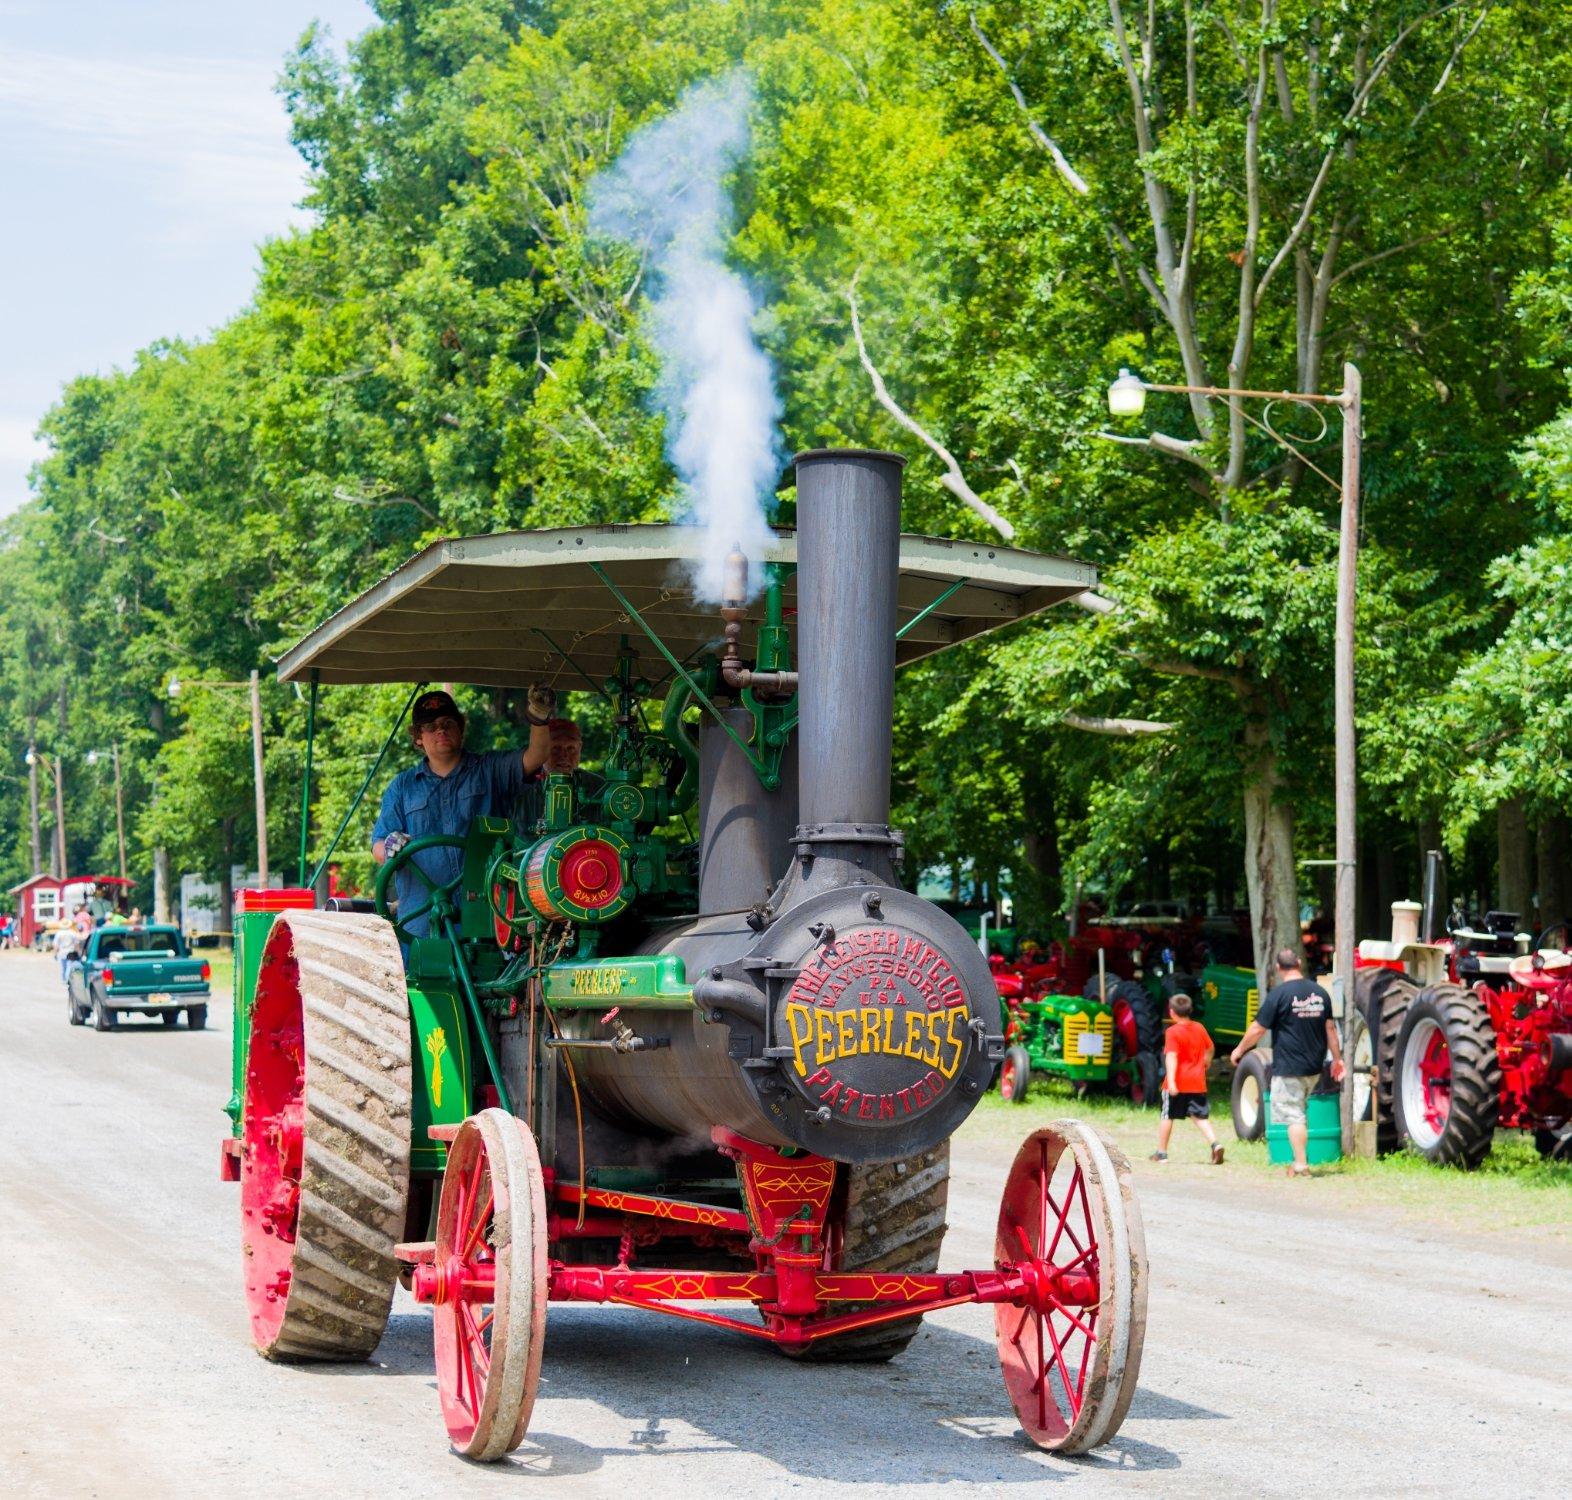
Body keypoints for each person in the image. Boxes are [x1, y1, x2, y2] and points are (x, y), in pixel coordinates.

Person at [371, 686, 564, 941]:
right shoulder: (402, 787)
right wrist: (391, 847)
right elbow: (379, 846)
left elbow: (538, 755)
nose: (440, 730)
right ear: (418, 737)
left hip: (486, 922)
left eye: (447, 723)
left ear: (460, 728)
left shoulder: (491, 771)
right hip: (421, 927)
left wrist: (539, 715)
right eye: (430, 726)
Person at [1230, 947, 1346, 1178]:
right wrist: (1337, 1059)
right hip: (1314, 1066)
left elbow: (1257, 1028)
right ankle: (1299, 1159)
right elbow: (1330, 1028)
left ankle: (1301, 1163)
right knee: (1299, 1110)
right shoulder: (1320, 994)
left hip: (1290, 1067)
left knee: (1293, 1115)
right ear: (1300, 963)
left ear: (1278, 968)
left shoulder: (1279, 995)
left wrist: (1240, 1049)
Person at [1151, 993, 1224, 1165]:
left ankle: (1161, 1153)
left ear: (1171, 1012)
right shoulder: (1199, 1027)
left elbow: (1172, 1057)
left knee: (1167, 1115)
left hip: (1178, 1083)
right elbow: (1210, 1047)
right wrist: (1206, 1061)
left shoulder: (1172, 1032)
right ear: (1190, 1010)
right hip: (1197, 1082)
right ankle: (1215, 1144)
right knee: (1200, 1117)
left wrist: (1173, 1082)